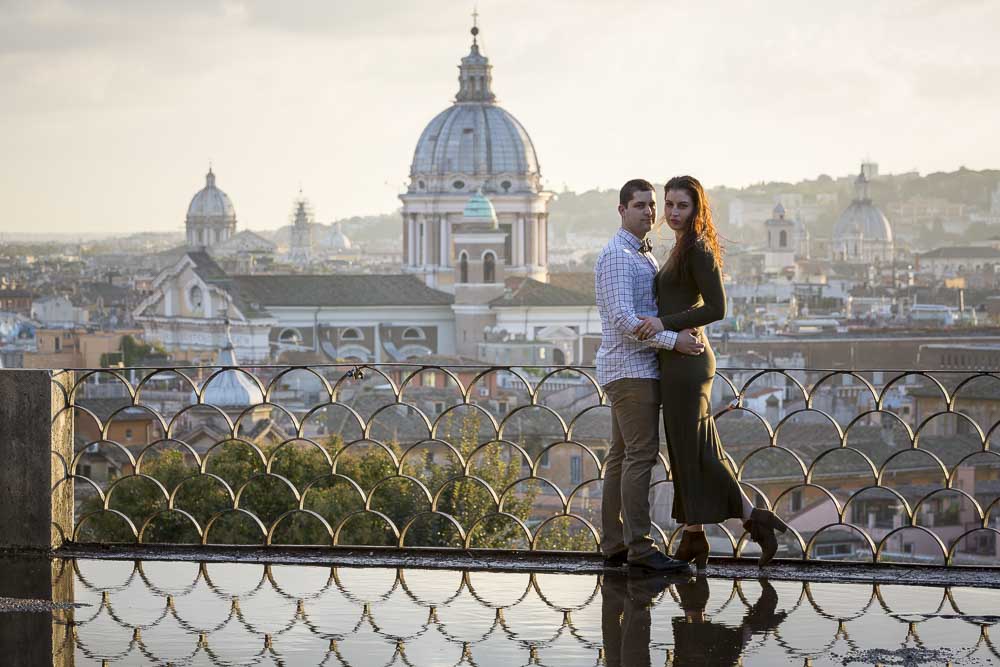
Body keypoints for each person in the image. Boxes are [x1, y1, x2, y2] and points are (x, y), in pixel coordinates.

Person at [634, 176, 788, 568]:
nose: (671, 212)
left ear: (697, 209)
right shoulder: (682, 247)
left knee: (696, 451)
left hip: (688, 363)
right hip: (677, 361)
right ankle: (694, 537)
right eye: (668, 204)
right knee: (688, 451)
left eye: (681, 205)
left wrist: (662, 322)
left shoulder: (699, 248)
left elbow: (717, 308)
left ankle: (754, 518)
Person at [595, 179, 705, 573]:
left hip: (634, 367)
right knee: (640, 456)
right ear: (622, 209)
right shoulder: (617, 257)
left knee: (622, 457)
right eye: (640, 205)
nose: (649, 212)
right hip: (631, 369)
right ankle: (639, 547)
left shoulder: (640, 255)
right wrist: (673, 340)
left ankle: (614, 544)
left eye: (651, 205)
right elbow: (625, 320)